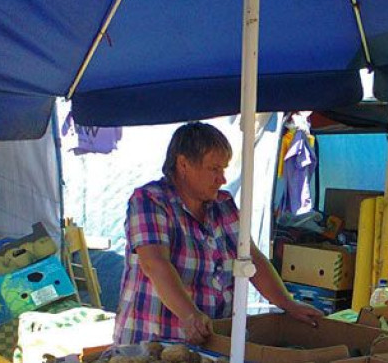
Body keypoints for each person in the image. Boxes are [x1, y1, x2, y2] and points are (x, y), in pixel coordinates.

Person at [114, 122, 322, 345]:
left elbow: (252, 259)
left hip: (210, 341)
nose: (222, 179)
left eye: (224, 169)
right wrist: (190, 316)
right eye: (214, 169)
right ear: (183, 164)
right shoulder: (150, 200)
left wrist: (289, 304)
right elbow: (154, 263)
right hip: (151, 342)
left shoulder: (223, 205)